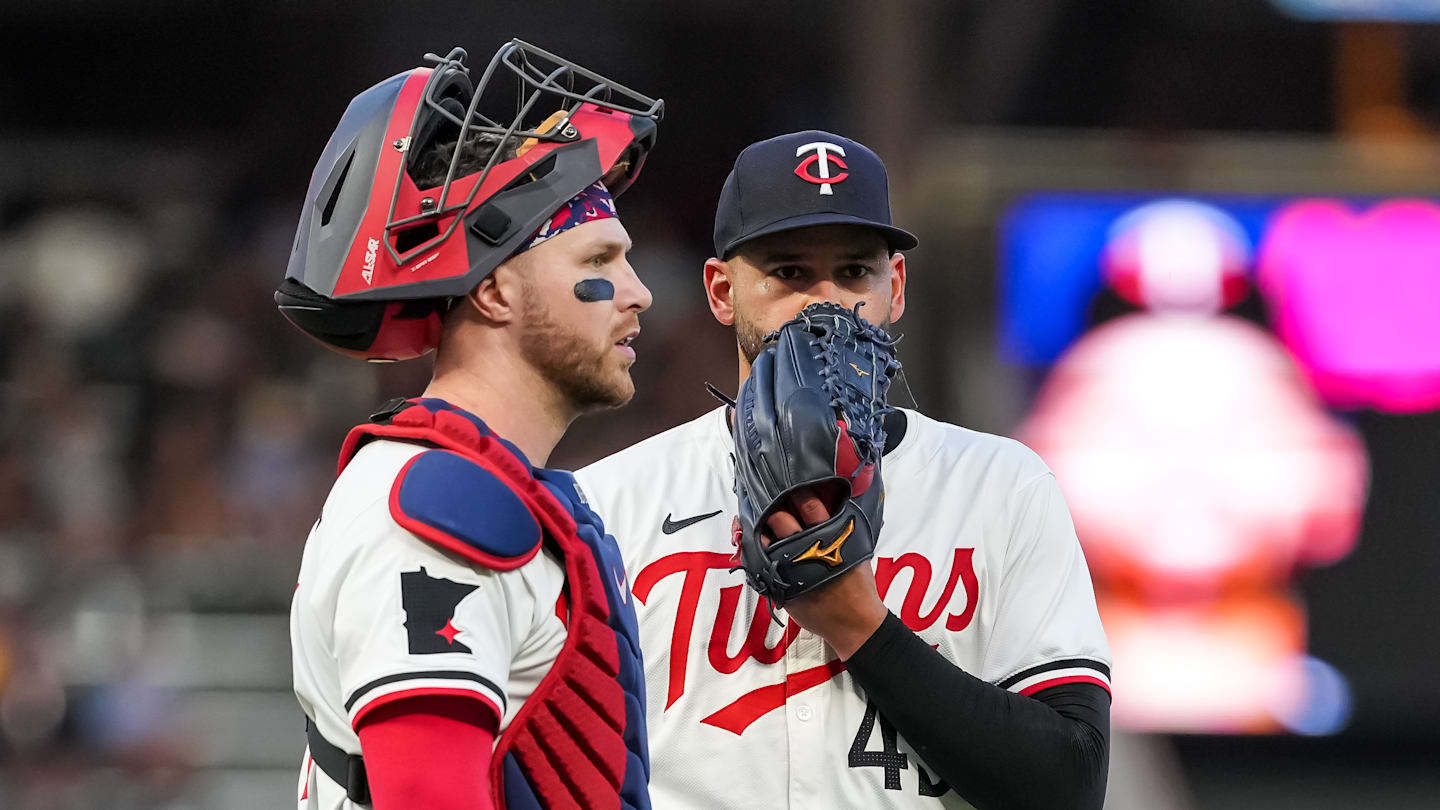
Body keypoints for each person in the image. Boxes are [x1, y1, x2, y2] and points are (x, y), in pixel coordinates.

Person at [576, 130, 1112, 810]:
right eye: (790, 273)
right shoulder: (609, 501)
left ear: (897, 286)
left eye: (855, 272)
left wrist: (860, 624)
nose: (826, 301)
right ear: (721, 291)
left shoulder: (1001, 486)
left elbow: (1067, 786)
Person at [278, 43, 662, 810]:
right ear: (492, 293)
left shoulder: (500, 489)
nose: (639, 292)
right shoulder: (441, 506)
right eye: (601, 258)